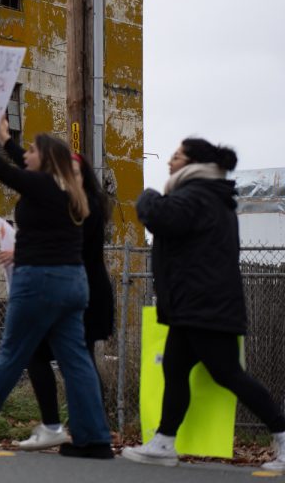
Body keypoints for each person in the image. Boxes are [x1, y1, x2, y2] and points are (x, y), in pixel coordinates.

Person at [0, 108, 112, 459]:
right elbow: (20, 165)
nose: (24, 153)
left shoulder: (42, 185)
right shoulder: (71, 191)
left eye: (31, 149)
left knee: (13, 353)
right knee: (76, 362)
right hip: (72, 284)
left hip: (40, 281)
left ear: (44, 160)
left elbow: (3, 170)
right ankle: (94, 438)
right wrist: (4, 138)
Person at [122, 139, 285, 470]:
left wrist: (148, 195)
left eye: (177, 156)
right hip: (195, 305)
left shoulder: (198, 195)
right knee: (176, 370)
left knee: (228, 374)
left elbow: (158, 216)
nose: (169, 161)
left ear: (194, 163)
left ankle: (282, 432)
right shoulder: (210, 195)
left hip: (204, 306)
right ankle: (164, 442)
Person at [16, 151, 115, 451]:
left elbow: (66, 247)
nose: (68, 177)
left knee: (65, 359)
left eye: (74, 171)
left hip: (81, 294)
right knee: (74, 361)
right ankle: (87, 431)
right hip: (77, 291)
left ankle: (75, 428)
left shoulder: (84, 207)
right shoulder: (78, 204)